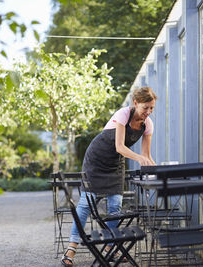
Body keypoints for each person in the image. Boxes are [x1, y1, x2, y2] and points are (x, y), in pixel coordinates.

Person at [61, 86, 157, 266]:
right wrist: (140, 159)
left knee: (115, 207)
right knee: (85, 205)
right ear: (136, 103)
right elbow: (120, 147)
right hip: (96, 160)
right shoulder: (123, 114)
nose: (149, 112)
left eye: (152, 108)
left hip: (115, 165)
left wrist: (156, 169)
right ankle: (71, 249)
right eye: (146, 108)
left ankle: (109, 248)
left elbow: (147, 155)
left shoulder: (148, 125)